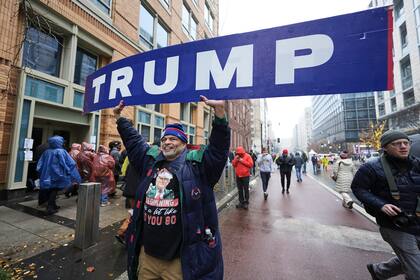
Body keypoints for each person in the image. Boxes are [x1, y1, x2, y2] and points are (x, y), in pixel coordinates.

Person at [114, 96, 229, 280]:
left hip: (179, 262)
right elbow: (134, 141)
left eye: (173, 139)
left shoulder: (197, 165)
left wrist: (220, 116)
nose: (167, 142)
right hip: (148, 258)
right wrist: (119, 117)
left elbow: (218, 149)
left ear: (184, 144)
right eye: (164, 139)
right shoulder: (150, 160)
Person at [351, 130, 420, 280]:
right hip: (395, 225)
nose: (403, 146)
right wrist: (381, 205)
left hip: (417, 220)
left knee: (411, 260)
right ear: (385, 148)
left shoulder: (417, 164)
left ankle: (379, 271)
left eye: (406, 143)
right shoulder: (370, 167)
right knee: (416, 270)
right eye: (397, 144)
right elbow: (358, 188)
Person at [36, 136, 81, 215]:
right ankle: (50, 208)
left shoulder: (47, 152)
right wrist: (68, 171)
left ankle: (53, 205)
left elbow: (40, 164)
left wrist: (40, 173)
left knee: (50, 190)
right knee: (54, 190)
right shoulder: (61, 151)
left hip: (47, 174)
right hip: (58, 174)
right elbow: (70, 163)